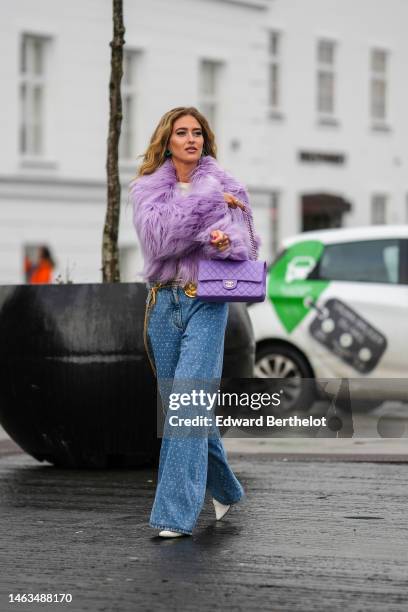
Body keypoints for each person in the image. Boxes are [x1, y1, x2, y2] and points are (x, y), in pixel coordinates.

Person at [130, 106, 261, 538]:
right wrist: (207, 210)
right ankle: (225, 487)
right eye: (182, 132)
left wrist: (224, 241)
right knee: (184, 411)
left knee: (185, 408)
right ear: (166, 140)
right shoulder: (148, 188)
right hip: (163, 306)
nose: (191, 139)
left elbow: (243, 244)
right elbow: (159, 240)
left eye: (198, 133)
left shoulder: (228, 185)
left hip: (207, 302)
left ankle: (174, 516)